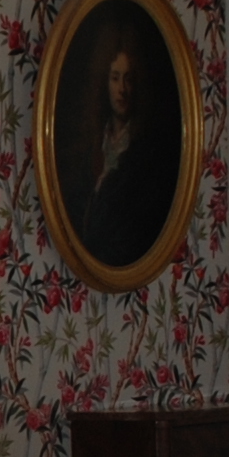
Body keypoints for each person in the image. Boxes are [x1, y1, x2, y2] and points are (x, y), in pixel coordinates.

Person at [68, 16, 181, 269]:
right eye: (115, 78)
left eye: (128, 79)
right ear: (104, 82)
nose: (122, 89)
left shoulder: (146, 154)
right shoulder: (94, 148)